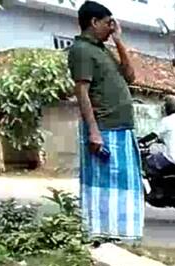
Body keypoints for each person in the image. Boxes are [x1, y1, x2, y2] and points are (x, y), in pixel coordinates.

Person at [67, 1, 142, 242]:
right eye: (108, 23)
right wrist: (94, 132)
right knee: (104, 185)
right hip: (104, 129)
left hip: (121, 128)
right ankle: (102, 236)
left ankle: (121, 235)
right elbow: (82, 92)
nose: (111, 28)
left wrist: (118, 41)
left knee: (124, 185)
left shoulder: (101, 49)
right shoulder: (81, 50)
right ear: (94, 22)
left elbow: (130, 76)